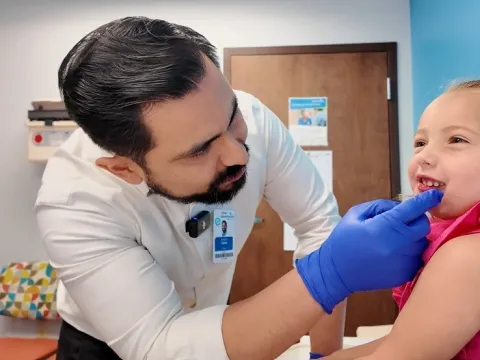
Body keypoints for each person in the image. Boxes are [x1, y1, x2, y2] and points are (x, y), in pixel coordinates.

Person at [35, 16, 442, 360]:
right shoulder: (73, 201)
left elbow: (319, 227)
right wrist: (328, 275)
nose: (239, 155)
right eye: (199, 151)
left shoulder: (254, 120)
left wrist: (324, 355)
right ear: (125, 169)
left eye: (232, 119)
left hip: (215, 318)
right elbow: (161, 345)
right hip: (105, 344)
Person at [324, 80, 480, 360]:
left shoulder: (468, 255)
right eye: (420, 142)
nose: (424, 156)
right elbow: (402, 340)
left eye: (457, 140)